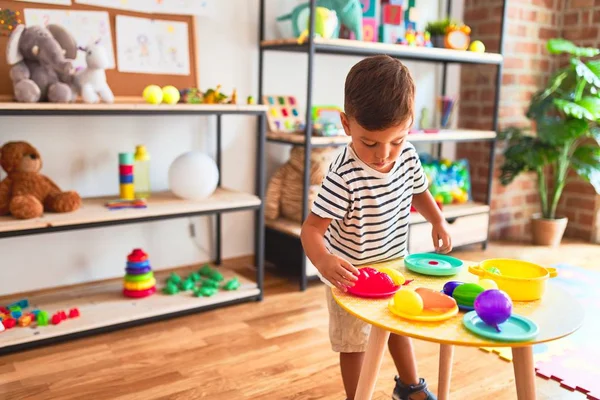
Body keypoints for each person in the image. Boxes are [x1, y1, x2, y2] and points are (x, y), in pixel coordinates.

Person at [300, 55, 452, 400]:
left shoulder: (408, 156)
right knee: (354, 344)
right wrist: (324, 262)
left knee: (399, 325)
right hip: (350, 277)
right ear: (346, 124)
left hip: (395, 266)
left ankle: (411, 387)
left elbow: (420, 191)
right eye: (370, 142)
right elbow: (310, 230)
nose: (384, 154)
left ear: (409, 125)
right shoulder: (342, 174)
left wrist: (438, 220)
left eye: (396, 140)